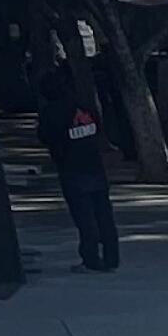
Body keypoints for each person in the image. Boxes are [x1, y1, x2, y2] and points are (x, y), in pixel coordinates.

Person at [42, 54, 120, 271]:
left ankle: (91, 258)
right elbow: (100, 130)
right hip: (94, 166)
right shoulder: (84, 106)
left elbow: (46, 136)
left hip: (72, 170)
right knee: (104, 214)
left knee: (85, 218)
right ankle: (111, 257)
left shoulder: (52, 112)